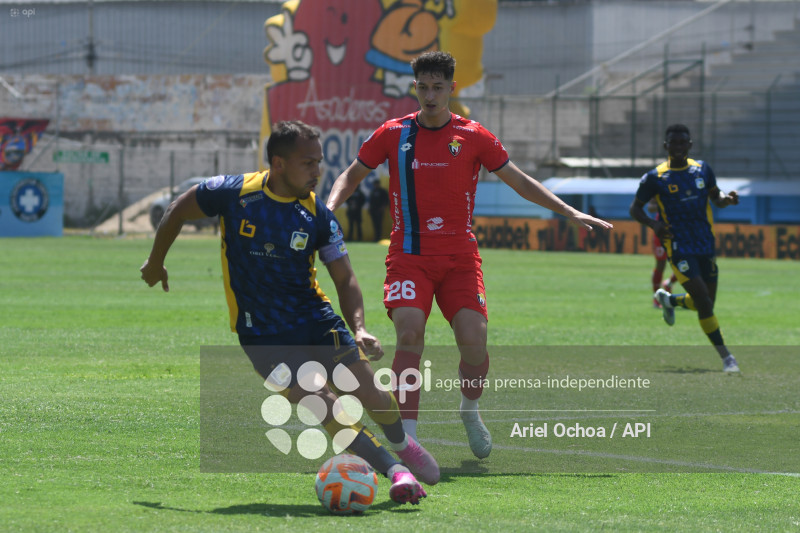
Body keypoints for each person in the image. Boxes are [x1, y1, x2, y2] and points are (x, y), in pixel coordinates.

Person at [326, 51, 613, 459]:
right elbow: (352, 174)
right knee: (409, 334)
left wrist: (570, 211)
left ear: (451, 88)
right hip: (409, 256)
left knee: (474, 343)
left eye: (437, 87)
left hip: (459, 259)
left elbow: (520, 181)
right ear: (414, 87)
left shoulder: (474, 135)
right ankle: (408, 439)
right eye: (423, 87)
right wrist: (327, 210)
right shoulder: (393, 133)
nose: (430, 95)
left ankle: (469, 409)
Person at [140, 121, 439, 505]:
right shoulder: (233, 193)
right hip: (263, 338)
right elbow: (177, 210)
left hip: (315, 321)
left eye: (319, 162)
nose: (318, 172)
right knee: (323, 401)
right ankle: (396, 471)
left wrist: (360, 327)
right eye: (308, 163)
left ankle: (402, 444)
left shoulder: (317, 215)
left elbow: (344, 277)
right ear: (279, 164)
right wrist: (156, 261)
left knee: (371, 393)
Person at [630, 123, 740, 373]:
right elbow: (635, 209)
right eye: (673, 142)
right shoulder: (655, 177)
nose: (678, 146)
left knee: (706, 302)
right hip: (678, 246)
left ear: (690, 145)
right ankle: (727, 357)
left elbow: (716, 197)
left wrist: (728, 200)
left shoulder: (702, 170)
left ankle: (670, 300)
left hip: (705, 243)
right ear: (665, 146)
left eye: (682, 142)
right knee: (703, 300)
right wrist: (653, 225)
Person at [647, 198, 677, 308]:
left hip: (679, 231)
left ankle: (669, 283)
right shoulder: (660, 190)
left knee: (684, 263)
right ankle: (657, 298)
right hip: (661, 232)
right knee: (660, 264)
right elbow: (650, 207)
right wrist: (664, 205)